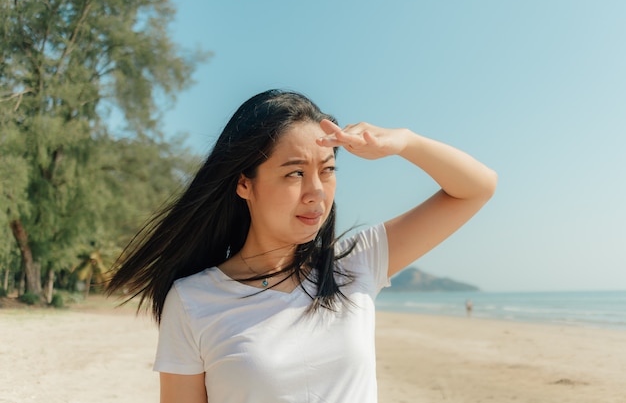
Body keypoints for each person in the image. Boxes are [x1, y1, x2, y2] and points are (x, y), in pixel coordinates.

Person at [106, 89, 497, 403]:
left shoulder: (355, 265)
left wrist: (404, 141)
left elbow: (477, 188)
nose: (316, 193)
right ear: (245, 183)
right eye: (295, 172)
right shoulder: (194, 300)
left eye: (327, 171)